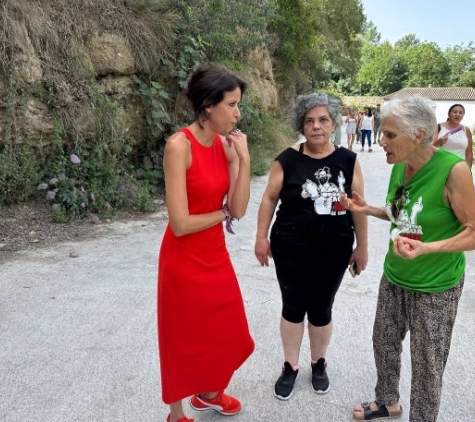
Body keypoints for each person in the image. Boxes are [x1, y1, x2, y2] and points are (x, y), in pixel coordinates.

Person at [340, 96, 475, 422]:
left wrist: (427, 248)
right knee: (384, 342)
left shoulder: (453, 171)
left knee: (427, 363)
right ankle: (387, 401)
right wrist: (367, 209)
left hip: (436, 286)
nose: (381, 141)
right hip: (395, 276)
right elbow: (400, 212)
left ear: (418, 134)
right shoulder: (401, 165)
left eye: (390, 135)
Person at [254, 93, 368, 401]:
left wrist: (362, 247)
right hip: (290, 246)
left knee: (321, 308)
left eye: (322, 120)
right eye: (309, 121)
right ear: (301, 125)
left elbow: (358, 206)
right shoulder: (287, 159)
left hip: (335, 248)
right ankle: (290, 366)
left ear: (334, 124)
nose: (316, 126)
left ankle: (318, 364)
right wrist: (261, 237)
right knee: (292, 306)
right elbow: (268, 198)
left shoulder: (348, 160)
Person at [157, 62, 255, 422]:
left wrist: (244, 160)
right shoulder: (178, 146)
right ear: (208, 106)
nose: (237, 112)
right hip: (182, 258)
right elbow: (180, 223)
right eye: (231, 104)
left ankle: (209, 394)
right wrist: (223, 214)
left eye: (237, 104)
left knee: (229, 331)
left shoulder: (226, 147)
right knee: (181, 336)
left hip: (215, 252)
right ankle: (177, 412)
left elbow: (240, 209)